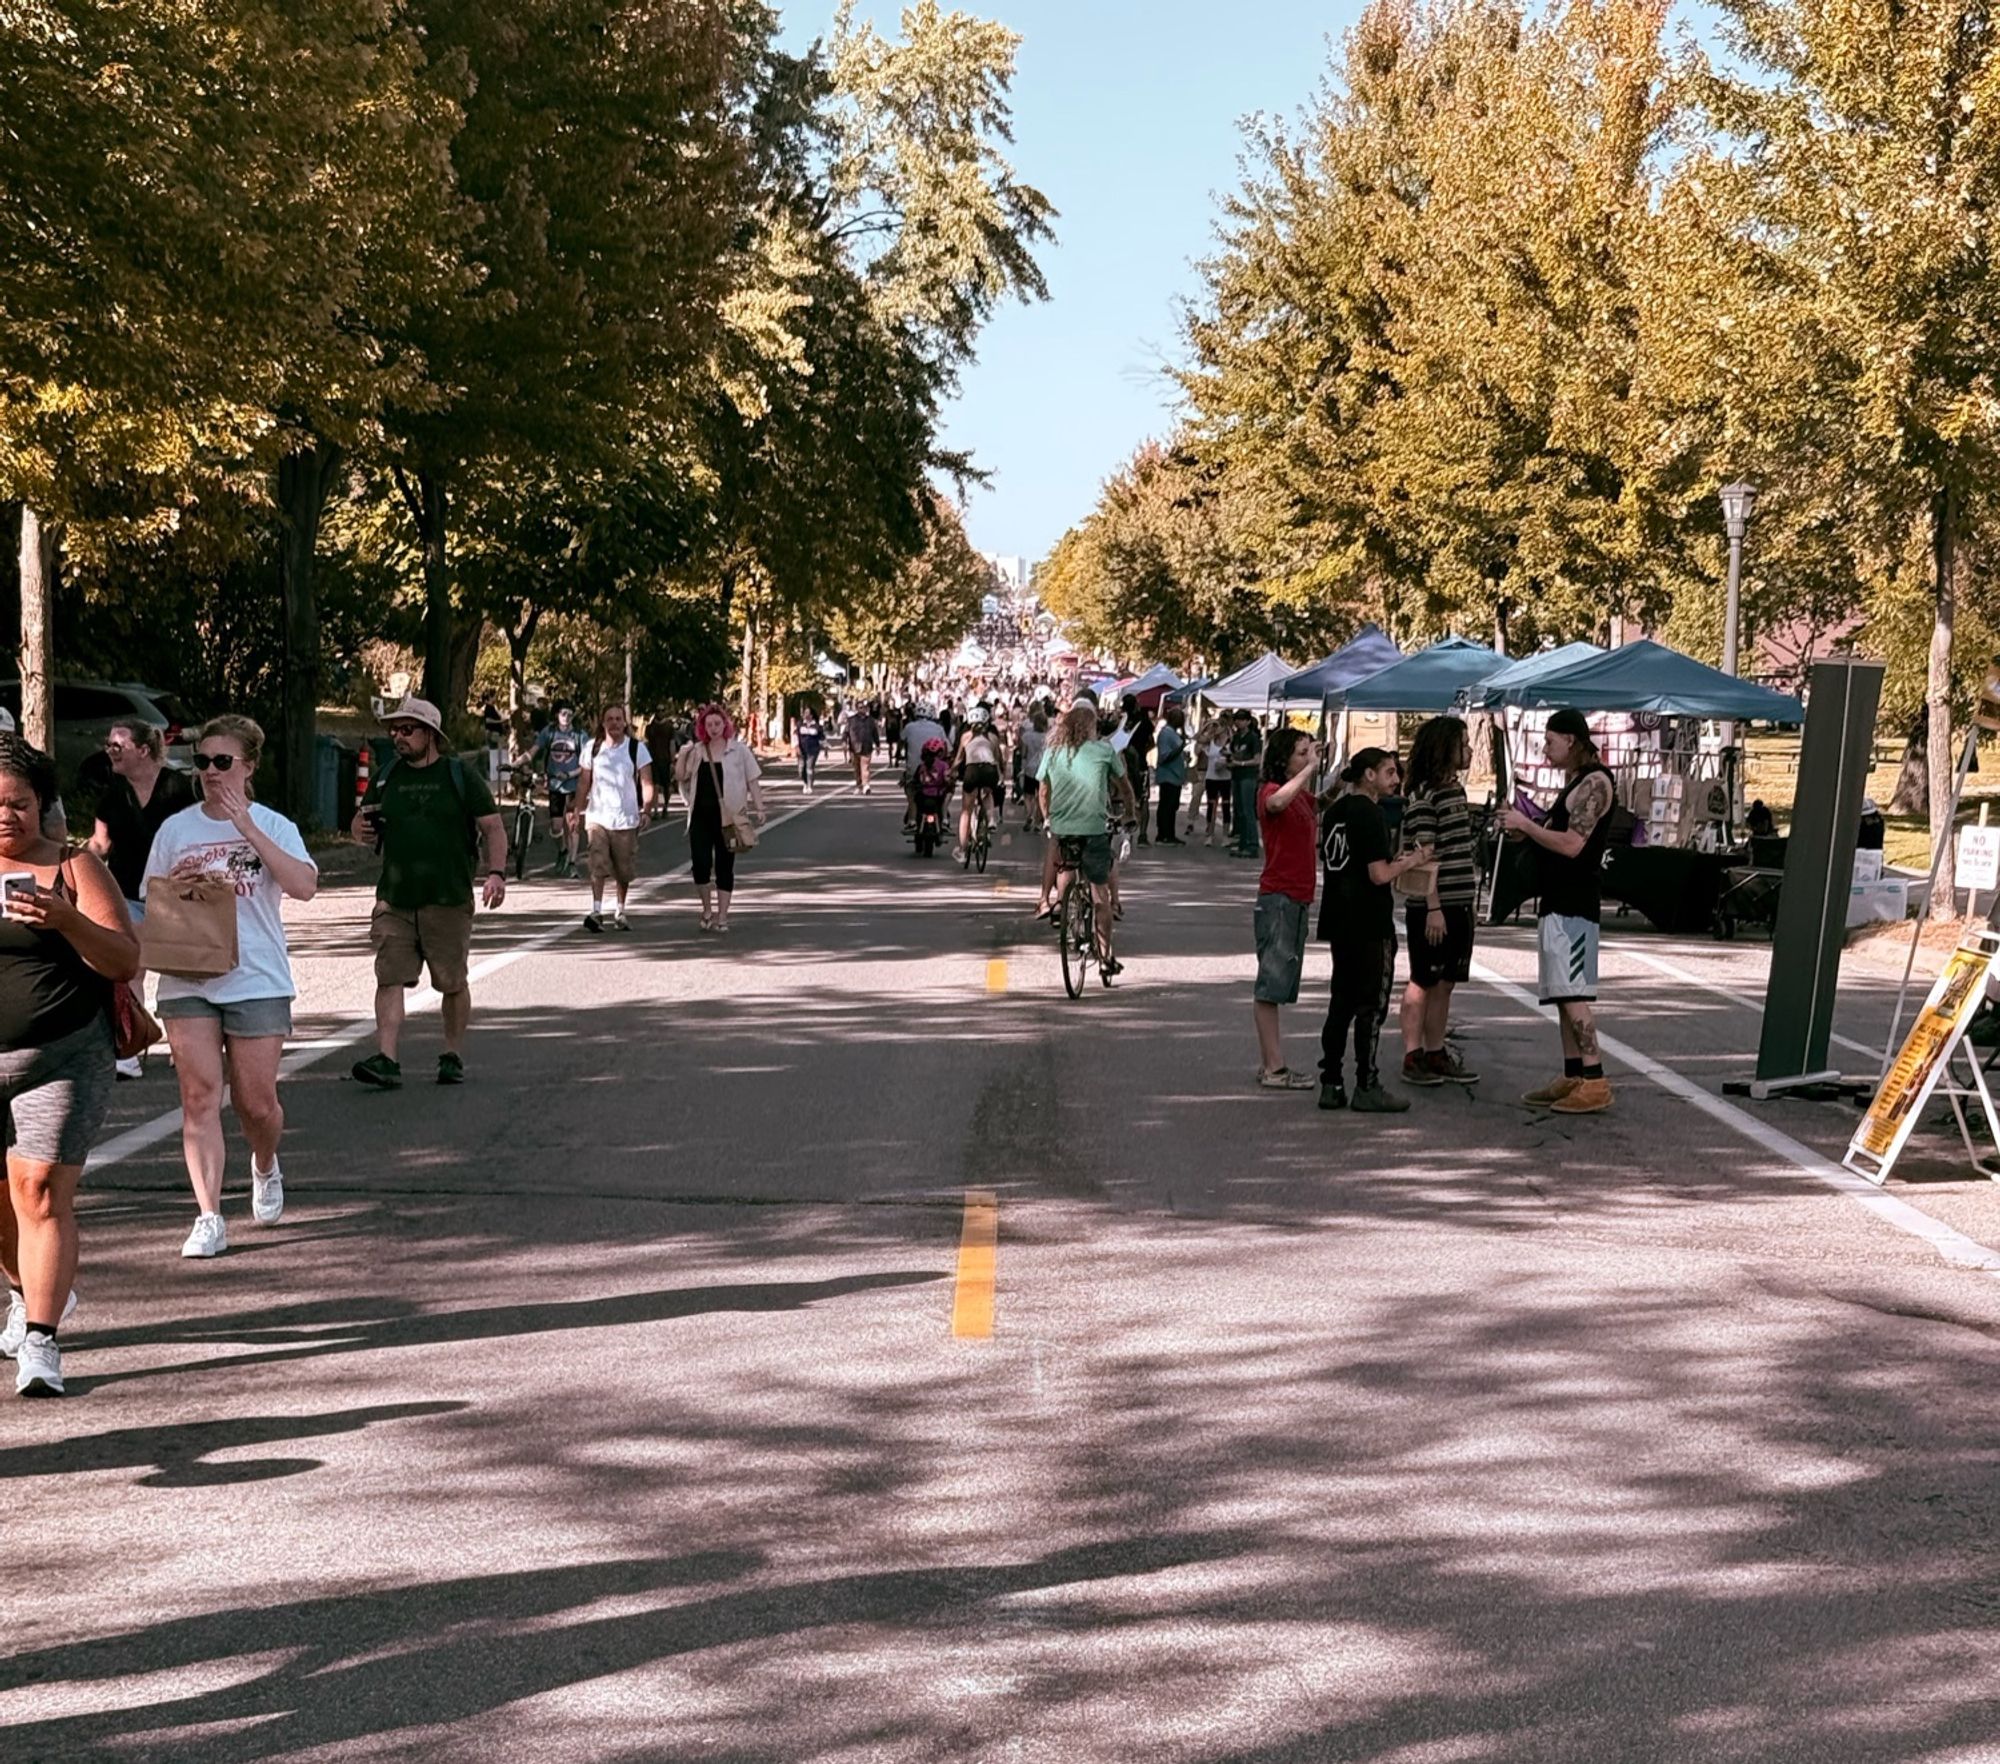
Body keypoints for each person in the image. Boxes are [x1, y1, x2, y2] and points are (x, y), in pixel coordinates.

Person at [146, 716, 319, 1260]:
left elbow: (304, 886)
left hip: (256, 978)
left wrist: (247, 829)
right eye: (202, 762)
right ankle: (209, 1215)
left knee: (255, 1103)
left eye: (223, 762)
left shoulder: (273, 824)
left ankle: (264, 1164)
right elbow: (152, 900)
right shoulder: (176, 830)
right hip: (188, 976)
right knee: (198, 1097)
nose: (211, 773)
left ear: (248, 766)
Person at [0, 735, 139, 1394]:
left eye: (18, 803)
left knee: (40, 1194)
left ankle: (41, 1340)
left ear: (41, 804)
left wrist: (66, 921)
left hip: (62, 1054)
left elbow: (122, 959)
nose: (6, 816)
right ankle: (27, 1291)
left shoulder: (75, 867)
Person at [351, 696, 507, 1091]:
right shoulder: (387, 775)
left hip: (447, 897)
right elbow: (360, 821)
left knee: (451, 982)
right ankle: (387, 1058)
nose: (398, 737)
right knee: (389, 977)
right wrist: (359, 830)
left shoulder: (459, 775)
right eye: (394, 730)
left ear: (431, 735)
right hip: (394, 898)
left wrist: (496, 873)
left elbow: (492, 827)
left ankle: (451, 1054)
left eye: (407, 730)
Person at [1502, 707, 1617, 1113]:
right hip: (1557, 897)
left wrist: (1528, 825)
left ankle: (1595, 1077)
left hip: (1575, 901)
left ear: (1571, 740)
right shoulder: (1576, 783)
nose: (1546, 749)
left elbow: (1572, 844)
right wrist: (1525, 828)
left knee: (1573, 992)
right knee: (1561, 991)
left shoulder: (1595, 783)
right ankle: (1573, 1073)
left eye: (1551, 741)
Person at [1318, 748, 1431, 1114]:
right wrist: (1411, 862)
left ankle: (1330, 1081)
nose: (1395, 780)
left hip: (1338, 915)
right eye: (1388, 772)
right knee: (1370, 1005)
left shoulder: (1334, 811)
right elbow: (1378, 873)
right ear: (1368, 775)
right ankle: (1367, 1083)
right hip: (1368, 920)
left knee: (1341, 1001)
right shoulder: (1370, 813)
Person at [88, 719, 196, 1078]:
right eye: (109, 745)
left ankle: (188, 1045)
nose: (110, 751)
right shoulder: (113, 792)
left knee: (183, 973)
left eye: (118, 745)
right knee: (131, 967)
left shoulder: (178, 789)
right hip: (128, 891)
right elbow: (100, 844)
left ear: (143, 750)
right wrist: (74, 867)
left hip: (176, 895)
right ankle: (129, 1052)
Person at [1398, 717, 1480, 1089]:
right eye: (1463, 743)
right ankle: (1413, 1053)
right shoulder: (1424, 796)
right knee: (1423, 978)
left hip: (1461, 899)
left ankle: (1436, 1049)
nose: (1470, 750)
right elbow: (1424, 853)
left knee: (1447, 981)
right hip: (1436, 904)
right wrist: (1433, 906)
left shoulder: (1456, 791)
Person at [1037, 702, 1136, 970]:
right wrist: (1130, 814)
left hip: (1063, 828)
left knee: (1065, 863)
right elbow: (1125, 788)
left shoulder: (1054, 751)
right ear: (1093, 727)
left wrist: (1048, 817)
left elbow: (1043, 791)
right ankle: (1105, 957)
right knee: (1099, 896)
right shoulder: (1104, 751)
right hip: (1094, 830)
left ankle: (1063, 904)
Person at [1251, 728, 1320, 1090]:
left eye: (1308, 752)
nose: (1306, 758)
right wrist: (1308, 770)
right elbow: (1275, 803)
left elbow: (1321, 800)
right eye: (1300, 753)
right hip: (1278, 897)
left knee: (1280, 982)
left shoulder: (1301, 797)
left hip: (1297, 897)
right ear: (1283, 759)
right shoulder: (1270, 792)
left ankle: (1271, 1063)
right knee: (1270, 985)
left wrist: (1328, 768)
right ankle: (1273, 1067)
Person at [676, 705, 766, 932]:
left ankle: (723, 916)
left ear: (725, 725)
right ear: (702, 727)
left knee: (725, 867)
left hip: (729, 818)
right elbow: (680, 776)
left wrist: (759, 807)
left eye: (718, 724)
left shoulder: (738, 750)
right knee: (700, 864)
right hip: (700, 817)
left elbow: (752, 779)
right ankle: (707, 909)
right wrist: (683, 754)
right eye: (709, 725)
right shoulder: (697, 750)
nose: (714, 728)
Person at [576, 704, 654, 933]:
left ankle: (620, 910)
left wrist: (646, 809)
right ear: (603, 723)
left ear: (625, 722)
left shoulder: (637, 749)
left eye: (618, 719)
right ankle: (597, 910)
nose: (614, 723)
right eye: (609, 719)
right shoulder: (592, 748)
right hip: (598, 816)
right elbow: (583, 783)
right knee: (597, 863)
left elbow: (646, 782)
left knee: (623, 869)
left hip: (626, 819)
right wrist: (576, 812)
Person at [532, 703, 584, 877]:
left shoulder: (579, 736)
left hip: (573, 785)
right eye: (563, 713)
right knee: (556, 827)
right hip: (555, 786)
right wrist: (516, 763)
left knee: (573, 824)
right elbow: (533, 751)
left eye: (570, 714)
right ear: (557, 715)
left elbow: (587, 764)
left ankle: (572, 862)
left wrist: (570, 773)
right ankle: (562, 851)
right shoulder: (549, 732)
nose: (566, 717)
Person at [953, 705, 1003, 861]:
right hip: (989, 770)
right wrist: (1001, 775)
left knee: (966, 811)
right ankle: (991, 819)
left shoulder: (966, 737)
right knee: (988, 792)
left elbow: (959, 759)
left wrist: (951, 771)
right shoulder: (993, 738)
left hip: (972, 771)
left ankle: (962, 850)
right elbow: (998, 759)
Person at [900, 703, 946, 832]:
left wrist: (899, 755)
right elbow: (948, 747)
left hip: (913, 768)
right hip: (936, 769)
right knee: (946, 788)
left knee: (911, 790)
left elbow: (901, 742)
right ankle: (944, 816)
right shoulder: (938, 729)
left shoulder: (909, 727)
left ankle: (912, 820)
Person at [1227, 711, 1264, 857]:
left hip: (1248, 776)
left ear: (1248, 721)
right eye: (1237, 720)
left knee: (1248, 810)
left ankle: (1252, 844)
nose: (1238, 723)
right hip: (1236, 776)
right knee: (1239, 810)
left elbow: (1257, 759)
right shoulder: (1235, 738)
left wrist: (1240, 763)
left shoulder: (1253, 738)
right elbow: (1232, 753)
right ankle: (1242, 843)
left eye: (1242, 720)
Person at [1153, 704, 1188, 845]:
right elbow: (1164, 756)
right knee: (1166, 806)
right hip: (1168, 775)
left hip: (1176, 776)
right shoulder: (1166, 733)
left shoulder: (1174, 733)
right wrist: (1180, 748)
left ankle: (1170, 833)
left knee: (1172, 806)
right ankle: (1163, 834)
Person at [1196, 714, 1231, 843]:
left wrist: (1226, 762)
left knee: (1226, 806)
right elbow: (1197, 739)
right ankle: (1209, 833)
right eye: (1215, 726)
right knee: (1211, 805)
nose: (1216, 728)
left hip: (1226, 777)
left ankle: (1225, 835)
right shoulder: (1210, 741)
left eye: (1218, 726)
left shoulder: (1229, 741)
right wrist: (1207, 726)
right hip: (1212, 777)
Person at [1018, 708, 1049, 834]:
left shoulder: (1026, 736)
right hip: (1043, 768)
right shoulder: (1048, 738)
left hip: (1029, 769)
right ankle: (1037, 822)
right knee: (1040, 797)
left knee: (1028, 795)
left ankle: (1029, 815)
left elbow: (1023, 754)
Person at [845, 701, 879, 795]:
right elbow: (846, 733)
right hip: (854, 747)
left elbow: (875, 733)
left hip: (867, 747)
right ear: (857, 708)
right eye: (860, 707)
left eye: (864, 707)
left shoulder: (870, 720)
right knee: (856, 768)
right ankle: (858, 785)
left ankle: (866, 785)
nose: (862, 709)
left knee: (865, 767)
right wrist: (844, 742)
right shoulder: (851, 720)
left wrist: (878, 745)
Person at [797, 705, 824, 795]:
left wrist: (825, 748)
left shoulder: (817, 726)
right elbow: (795, 735)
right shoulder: (800, 724)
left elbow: (821, 737)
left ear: (812, 715)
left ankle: (809, 786)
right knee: (801, 769)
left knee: (809, 768)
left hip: (813, 749)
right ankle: (805, 782)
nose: (806, 715)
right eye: (805, 713)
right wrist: (796, 746)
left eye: (808, 713)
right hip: (802, 749)